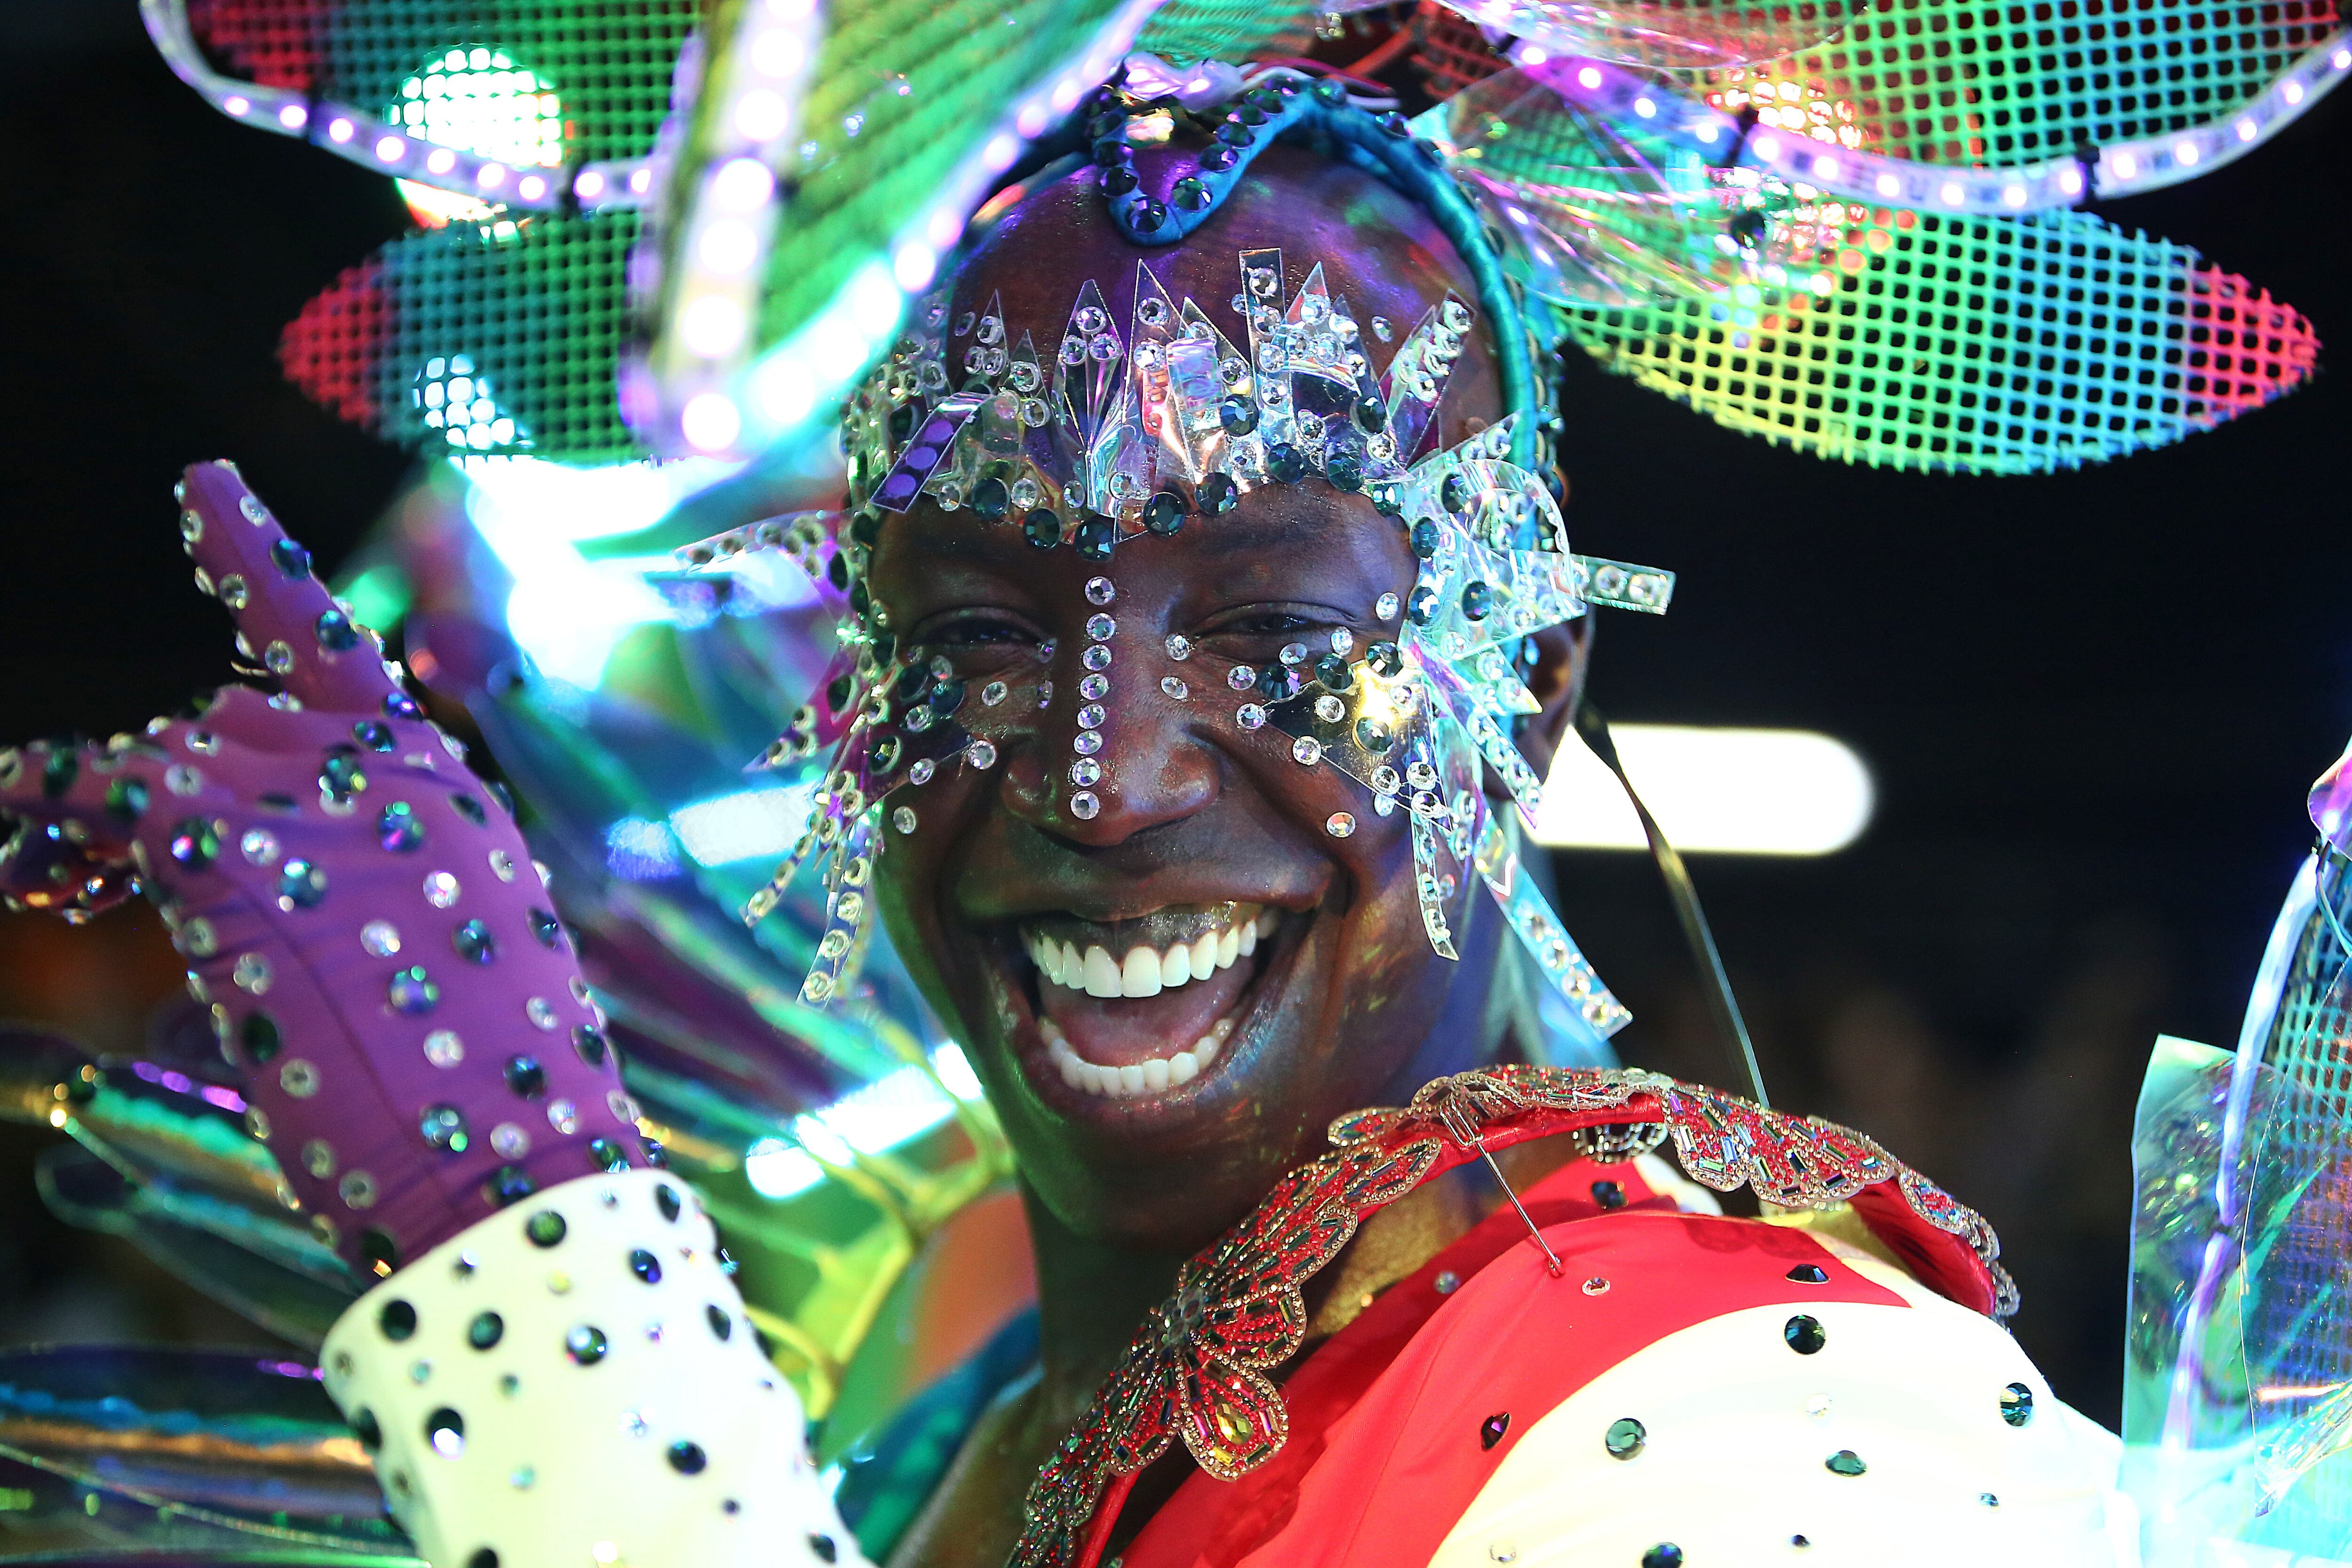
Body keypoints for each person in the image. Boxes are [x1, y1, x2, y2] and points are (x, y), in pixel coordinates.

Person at [4, 3, 2338, 1566]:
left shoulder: (1755, 1437)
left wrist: (525, 1252)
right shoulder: (968, 1402)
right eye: (981, 632)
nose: (1099, 778)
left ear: (1520, 700)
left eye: (1276, 638)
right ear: (844, 680)